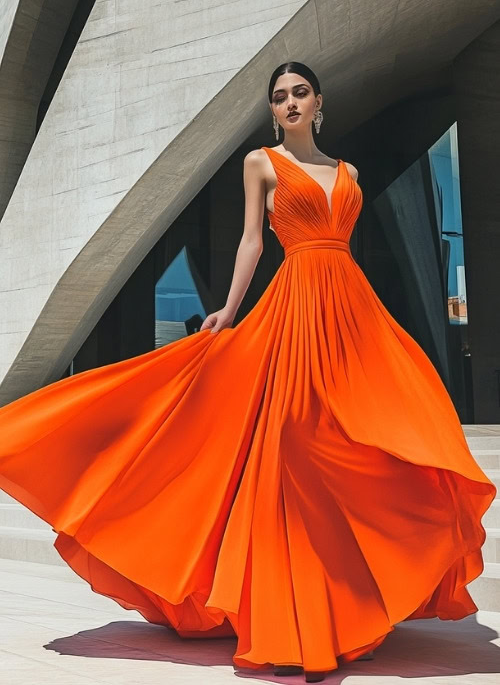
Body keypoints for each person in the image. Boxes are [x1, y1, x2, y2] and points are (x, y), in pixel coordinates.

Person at [0, 61, 496, 683]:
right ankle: (295, 622)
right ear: (273, 111)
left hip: (351, 310)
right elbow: (252, 242)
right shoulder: (260, 163)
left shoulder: (350, 173)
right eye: (279, 97)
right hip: (293, 305)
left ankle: (348, 605)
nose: (289, 104)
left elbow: (336, 243)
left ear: (319, 102)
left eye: (299, 93)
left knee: (372, 440)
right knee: (294, 448)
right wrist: (229, 311)